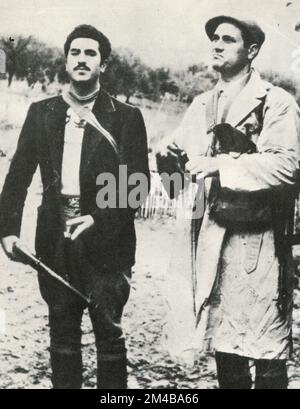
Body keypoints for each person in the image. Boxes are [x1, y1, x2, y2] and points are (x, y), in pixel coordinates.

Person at [0, 24, 150, 389]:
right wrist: (7, 230)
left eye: (90, 53)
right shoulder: (41, 112)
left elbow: (137, 187)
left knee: (109, 337)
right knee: (62, 337)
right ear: (66, 60)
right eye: (75, 53)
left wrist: (97, 219)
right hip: (55, 242)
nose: (81, 60)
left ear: (104, 64)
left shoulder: (126, 117)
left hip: (107, 245)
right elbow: (18, 175)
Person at [159, 16, 300, 389]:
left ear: (251, 51)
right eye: (215, 39)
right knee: (225, 343)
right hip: (210, 238)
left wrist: (219, 165)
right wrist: (166, 159)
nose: (217, 45)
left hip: (259, 242)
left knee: (266, 345)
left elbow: (287, 167)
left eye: (228, 39)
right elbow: (178, 183)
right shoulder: (201, 104)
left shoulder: (275, 102)